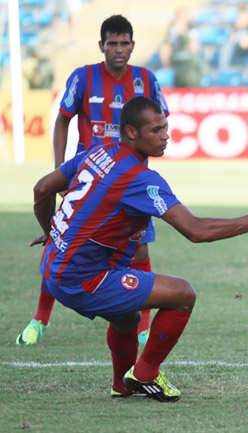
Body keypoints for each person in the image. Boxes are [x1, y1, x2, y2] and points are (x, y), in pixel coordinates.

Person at [30, 96, 248, 401]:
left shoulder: (99, 150)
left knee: (128, 318)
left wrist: (50, 230)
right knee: (183, 293)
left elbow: (42, 188)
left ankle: (122, 385)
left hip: (54, 268)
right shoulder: (141, 178)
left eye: (166, 127)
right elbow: (196, 231)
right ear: (131, 132)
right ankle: (145, 374)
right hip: (84, 279)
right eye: (156, 130)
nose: (166, 136)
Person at [16, 15, 168, 346]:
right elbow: (62, 121)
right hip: (89, 177)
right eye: (111, 43)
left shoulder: (146, 79)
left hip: (129, 182)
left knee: (139, 247)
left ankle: (140, 325)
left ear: (132, 45)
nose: (118, 49)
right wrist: (60, 169)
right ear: (101, 46)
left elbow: (158, 122)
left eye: (124, 42)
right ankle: (41, 318)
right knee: (61, 242)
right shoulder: (84, 77)